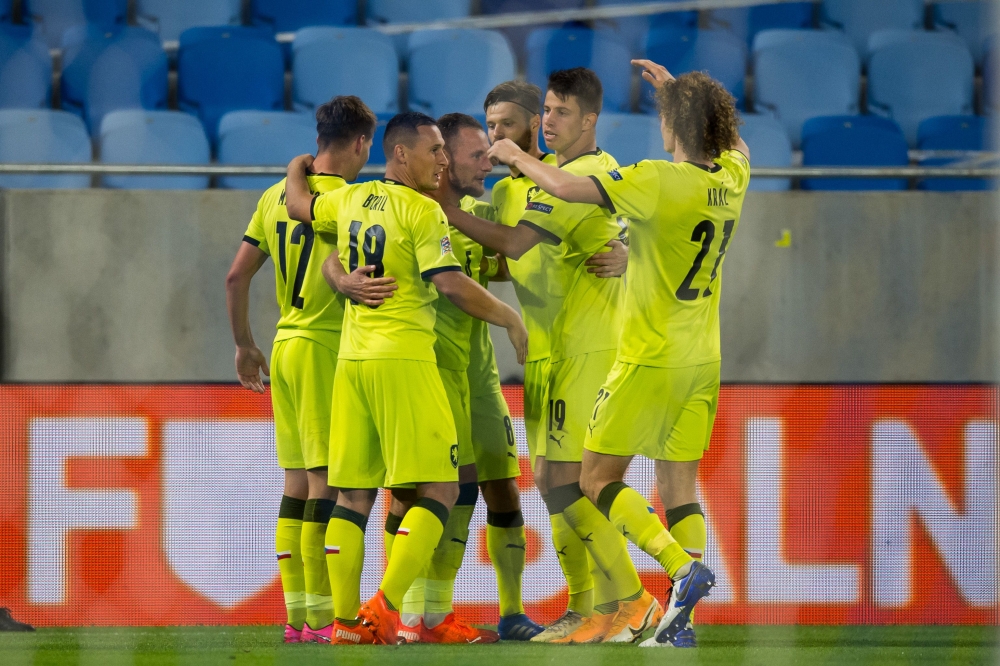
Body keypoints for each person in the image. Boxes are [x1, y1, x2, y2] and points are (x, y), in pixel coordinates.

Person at [485, 60, 750, 648]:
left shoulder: (658, 179)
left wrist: (515, 157)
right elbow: (737, 143)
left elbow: (564, 186)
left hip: (647, 355)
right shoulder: (733, 175)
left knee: (593, 476)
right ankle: (683, 616)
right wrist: (682, 95)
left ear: (673, 127)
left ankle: (678, 573)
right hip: (704, 358)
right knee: (680, 483)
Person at [282, 112, 528, 646]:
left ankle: (346, 624)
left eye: (444, 151)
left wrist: (295, 167)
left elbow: (300, 206)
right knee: (442, 486)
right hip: (406, 360)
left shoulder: (348, 199)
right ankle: (387, 610)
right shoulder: (421, 211)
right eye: (434, 150)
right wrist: (511, 318)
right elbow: (452, 285)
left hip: (353, 362)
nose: (441, 159)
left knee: (352, 497)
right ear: (400, 155)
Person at [439, 68, 657, 645]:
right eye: (488, 127)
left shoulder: (581, 177)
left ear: (539, 123)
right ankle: (599, 609)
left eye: (506, 125)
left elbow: (516, 242)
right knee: (561, 485)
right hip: (546, 352)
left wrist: (631, 251)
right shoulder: (516, 189)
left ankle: (627, 599)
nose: (493, 137)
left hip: (586, 349)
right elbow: (504, 258)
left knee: (570, 482)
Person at [224, 96, 377, 644]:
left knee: (295, 482)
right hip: (328, 347)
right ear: (360, 142)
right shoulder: (353, 200)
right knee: (327, 485)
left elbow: (236, 277)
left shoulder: (273, 197)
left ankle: (297, 618)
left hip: (285, 344)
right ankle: (321, 618)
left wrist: (245, 345)